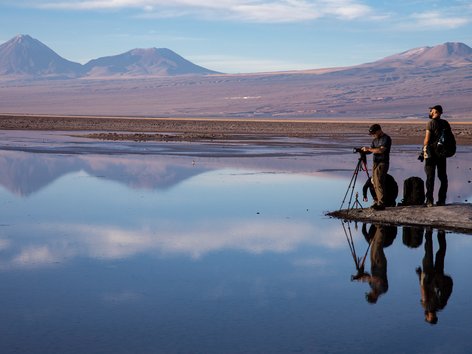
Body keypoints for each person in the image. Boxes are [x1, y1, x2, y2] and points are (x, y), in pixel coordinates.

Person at [416, 229, 453, 325]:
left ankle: (441, 233)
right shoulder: (427, 306)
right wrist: (420, 275)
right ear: (428, 316)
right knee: (428, 251)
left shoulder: (441, 306)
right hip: (429, 277)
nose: (426, 316)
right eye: (427, 318)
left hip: (439, 277)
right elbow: (423, 289)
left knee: (440, 253)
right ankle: (429, 231)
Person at [422, 105, 450, 207]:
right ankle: (442, 200)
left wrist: (423, 150)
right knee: (443, 177)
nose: (430, 112)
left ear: (436, 112)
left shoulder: (430, 123)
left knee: (430, 177)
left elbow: (427, 140)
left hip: (431, 154)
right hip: (442, 154)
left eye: (432, 111)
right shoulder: (445, 123)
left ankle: (429, 201)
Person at [361, 124, 392, 210]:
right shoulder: (375, 140)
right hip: (375, 163)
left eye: (374, 133)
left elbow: (381, 150)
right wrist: (363, 151)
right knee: (374, 182)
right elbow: (371, 150)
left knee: (379, 181)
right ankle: (377, 201)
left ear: (379, 130)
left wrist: (369, 149)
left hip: (383, 162)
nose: (373, 135)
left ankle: (382, 203)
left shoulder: (386, 138)